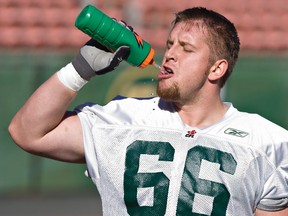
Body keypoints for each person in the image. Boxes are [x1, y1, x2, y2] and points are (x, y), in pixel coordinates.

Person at [8, 6, 288, 216]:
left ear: (217, 68)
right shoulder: (122, 119)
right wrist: (79, 70)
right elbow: (27, 133)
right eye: (170, 45)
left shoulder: (268, 143)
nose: (170, 54)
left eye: (186, 48)